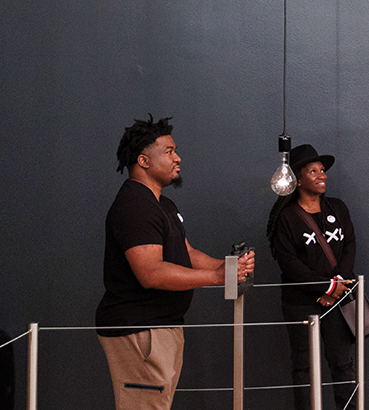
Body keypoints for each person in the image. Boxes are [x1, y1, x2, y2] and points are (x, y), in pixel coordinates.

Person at [95, 115, 255, 410]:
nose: (177, 158)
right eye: (169, 151)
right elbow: (151, 273)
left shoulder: (161, 204)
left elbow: (188, 254)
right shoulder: (135, 205)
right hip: (141, 331)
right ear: (143, 161)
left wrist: (230, 267)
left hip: (162, 329)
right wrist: (218, 277)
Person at [266, 143, 357, 410]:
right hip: (300, 303)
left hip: (337, 300)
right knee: (304, 367)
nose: (322, 175)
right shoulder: (286, 218)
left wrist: (337, 287)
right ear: (297, 178)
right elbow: (289, 263)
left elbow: (349, 245)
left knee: (343, 365)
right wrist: (326, 287)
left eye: (323, 170)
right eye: (313, 170)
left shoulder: (338, 208)